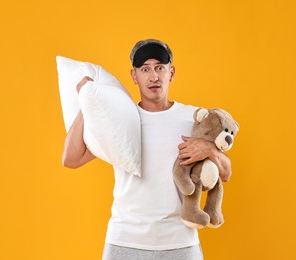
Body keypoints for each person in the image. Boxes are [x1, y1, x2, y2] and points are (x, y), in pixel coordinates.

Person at [62, 39, 232, 260]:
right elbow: (71, 159)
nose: (153, 77)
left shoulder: (194, 118)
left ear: (171, 73)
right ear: (134, 76)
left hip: (179, 242)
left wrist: (209, 149)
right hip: (125, 240)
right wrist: (89, 99)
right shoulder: (119, 119)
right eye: (145, 69)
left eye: (160, 68)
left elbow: (226, 173)